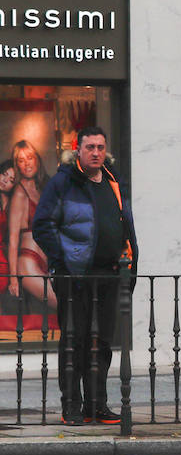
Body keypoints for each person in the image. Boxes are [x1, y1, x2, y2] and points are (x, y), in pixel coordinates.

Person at [32, 127, 138, 426]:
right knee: (74, 342)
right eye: (90, 147)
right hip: (74, 277)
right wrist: (62, 262)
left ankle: (97, 405)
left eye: (100, 147)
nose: (95, 152)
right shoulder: (63, 182)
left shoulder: (114, 180)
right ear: (78, 149)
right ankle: (72, 407)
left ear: (106, 150)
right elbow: (42, 225)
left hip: (109, 274)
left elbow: (124, 221)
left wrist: (128, 258)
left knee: (101, 343)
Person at [8, 140, 57, 311]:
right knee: (63, 304)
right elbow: (13, 239)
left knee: (67, 304)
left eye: (29, 157)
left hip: (46, 262)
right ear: (17, 165)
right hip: (27, 261)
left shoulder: (42, 189)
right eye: (21, 160)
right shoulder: (19, 194)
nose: (26, 163)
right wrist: (13, 278)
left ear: (37, 159)